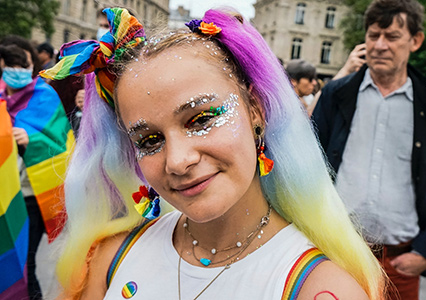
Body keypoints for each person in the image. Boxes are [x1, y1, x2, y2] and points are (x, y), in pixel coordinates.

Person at [41, 7, 386, 300]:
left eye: (200, 119)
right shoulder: (110, 258)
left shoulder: (320, 288)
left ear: (255, 110)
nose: (178, 161)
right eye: (148, 140)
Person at [311, 0, 426, 299]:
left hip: (399, 263)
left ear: (415, 40)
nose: (380, 45)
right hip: (337, 253)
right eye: (373, 35)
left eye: (392, 37)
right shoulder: (337, 94)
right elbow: (309, 169)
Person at [0, 44, 73, 300]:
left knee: (26, 265)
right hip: (4, 195)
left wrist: (30, 139)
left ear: (32, 67)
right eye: (11, 66)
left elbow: (62, 144)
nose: (17, 71)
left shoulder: (45, 96)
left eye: (23, 65)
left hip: (33, 196)